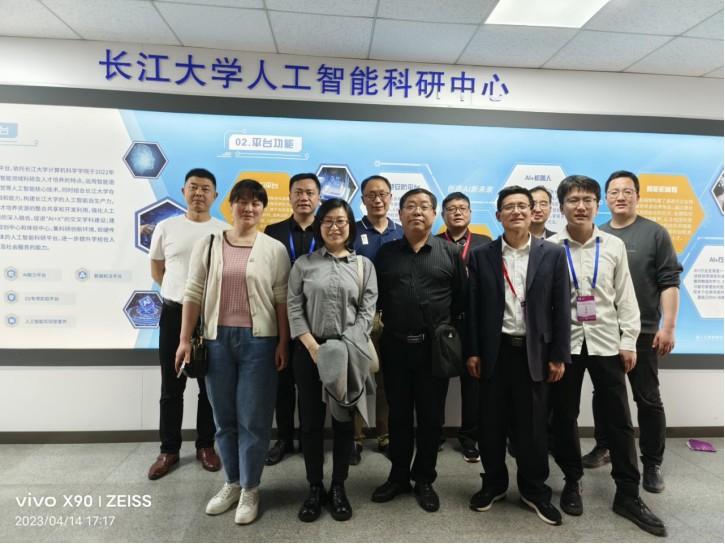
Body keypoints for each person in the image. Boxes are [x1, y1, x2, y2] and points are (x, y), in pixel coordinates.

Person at [550, 175, 667, 536]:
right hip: (566, 346)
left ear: (597, 205)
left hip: (606, 342)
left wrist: (629, 340)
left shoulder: (613, 245)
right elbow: (544, 304)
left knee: (618, 419)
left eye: (588, 200)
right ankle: (572, 480)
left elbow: (625, 297)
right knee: (564, 416)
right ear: (562, 207)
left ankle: (628, 494)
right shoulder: (550, 247)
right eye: (573, 200)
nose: (581, 206)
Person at [175, 179, 291, 525]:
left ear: (263, 208)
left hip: (260, 342)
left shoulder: (274, 249)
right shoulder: (209, 243)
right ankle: (232, 481)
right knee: (224, 419)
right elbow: (193, 291)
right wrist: (184, 339)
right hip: (216, 341)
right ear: (230, 206)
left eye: (256, 203)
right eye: (242, 201)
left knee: (253, 420)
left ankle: (251, 488)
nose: (248, 208)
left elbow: (281, 299)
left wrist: (283, 342)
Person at [467, 186, 570, 526]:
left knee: (533, 427)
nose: (517, 211)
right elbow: (473, 309)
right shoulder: (481, 255)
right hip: (494, 352)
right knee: (491, 425)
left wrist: (558, 355)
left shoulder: (552, 254)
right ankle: (493, 484)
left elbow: (561, 308)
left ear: (533, 212)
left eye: (523, 206)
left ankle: (534, 490)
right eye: (509, 207)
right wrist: (473, 352)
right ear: (498, 215)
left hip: (534, 353)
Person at [582, 171, 682, 494]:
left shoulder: (655, 233)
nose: (620, 197)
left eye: (627, 191)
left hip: (644, 333)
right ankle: (604, 447)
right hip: (603, 332)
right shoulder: (597, 234)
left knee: (647, 398)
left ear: (638, 196)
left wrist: (668, 327)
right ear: (605, 199)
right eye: (614, 192)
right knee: (604, 395)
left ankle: (651, 463)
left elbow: (669, 282)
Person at [372, 188, 468, 513]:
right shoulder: (386, 253)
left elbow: (461, 300)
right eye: (410, 206)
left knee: (431, 417)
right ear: (399, 215)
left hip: (433, 349)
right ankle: (398, 476)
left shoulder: (450, 252)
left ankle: (424, 478)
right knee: (398, 415)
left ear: (434, 214)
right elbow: (377, 298)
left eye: (424, 206)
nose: (417, 211)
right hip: (395, 346)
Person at [288, 198, 378, 523]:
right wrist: (314, 348)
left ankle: (338, 487)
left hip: (347, 354)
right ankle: (315, 487)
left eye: (341, 221)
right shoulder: (303, 264)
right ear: (319, 226)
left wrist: (341, 347)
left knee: (343, 425)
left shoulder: (364, 266)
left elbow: (367, 313)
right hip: (309, 352)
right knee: (311, 426)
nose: (334, 227)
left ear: (350, 226)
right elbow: (294, 308)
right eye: (327, 221)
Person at [147, 168, 227, 481]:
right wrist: (179, 295)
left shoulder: (224, 231)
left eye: (205, 188)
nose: (198, 193)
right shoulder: (166, 227)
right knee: (171, 387)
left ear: (215, 196)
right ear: (183, 192)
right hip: (173, 314)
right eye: (193, 187)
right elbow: (158, 271)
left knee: (209, 387)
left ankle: (206, 445)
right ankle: (168, 449)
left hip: (210, 318)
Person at [264, 173, 322, 466]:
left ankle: (313, 439)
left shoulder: (328, 229)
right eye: (298, 192)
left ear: (319, 198)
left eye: (310, 192)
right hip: (282, 317)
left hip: (318, 318)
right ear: (289, 197)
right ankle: (285, 438)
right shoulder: (272, 231)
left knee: (316, 385)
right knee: (283, 383)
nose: (304, 197)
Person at [351, 175, 404, 465]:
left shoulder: (402, 231)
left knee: (388, 382)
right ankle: (354, 440)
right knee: (356, 380)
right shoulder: (352, 230)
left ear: (391, 197)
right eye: (371, 195)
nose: (377, 200)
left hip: (394, 316)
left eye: (383, 194)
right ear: (363, 200)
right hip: (360, 317)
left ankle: (386, 437)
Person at [436, 192, 491, 463]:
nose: (457, 212)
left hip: (473, 322)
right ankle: (435, 435)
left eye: (462, 208)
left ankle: (469, 438)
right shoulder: (434, 243)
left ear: (470, 213)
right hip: (442, 322)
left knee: (473, 384)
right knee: (437, 382)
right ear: (442, 215)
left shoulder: (484, 243)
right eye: (451, 209)